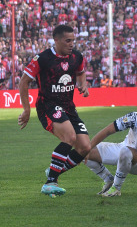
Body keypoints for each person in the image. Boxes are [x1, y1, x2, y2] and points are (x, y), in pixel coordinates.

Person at [18, 25, 91, 197]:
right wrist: (26, 110)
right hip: (48, 105)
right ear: (56, 40)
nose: (71, 44)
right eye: (68, 40)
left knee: (85, 147)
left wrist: (83, 84)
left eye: (73, 40)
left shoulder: (76, 57)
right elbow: (23, 82)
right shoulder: (42, 59)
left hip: (68, 107)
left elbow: (80, 72)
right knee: (70, 137)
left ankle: (53, 171)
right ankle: (50, 182)